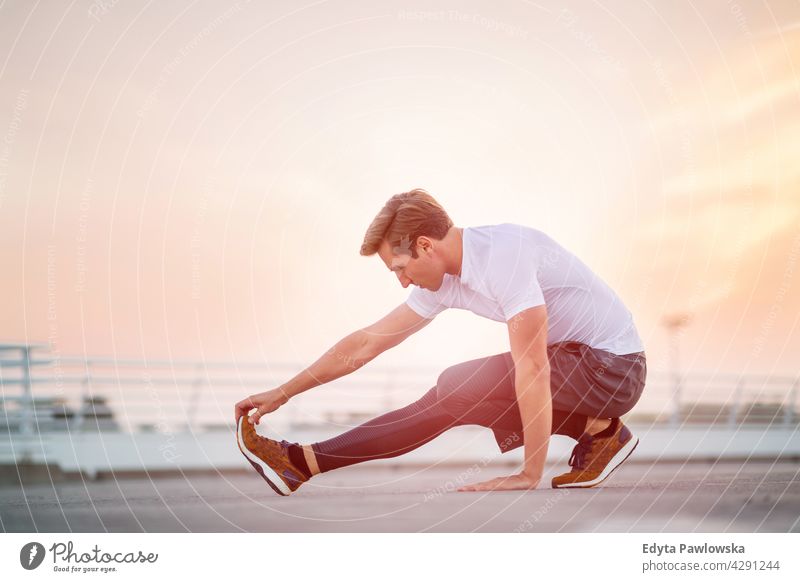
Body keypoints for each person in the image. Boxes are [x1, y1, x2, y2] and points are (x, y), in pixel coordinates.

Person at [234, 188, 646, 496]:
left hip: (614, 367)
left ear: (425, 246)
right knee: (460, 393)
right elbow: (365, 345)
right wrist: (283, 393)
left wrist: (528, 474)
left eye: (400, 267)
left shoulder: (505, 256)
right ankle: (599, 431)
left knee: (457, 387)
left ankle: (300, 463)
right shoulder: (440, 281)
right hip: (580, 363)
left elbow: (534, 368)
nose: (402, 280)